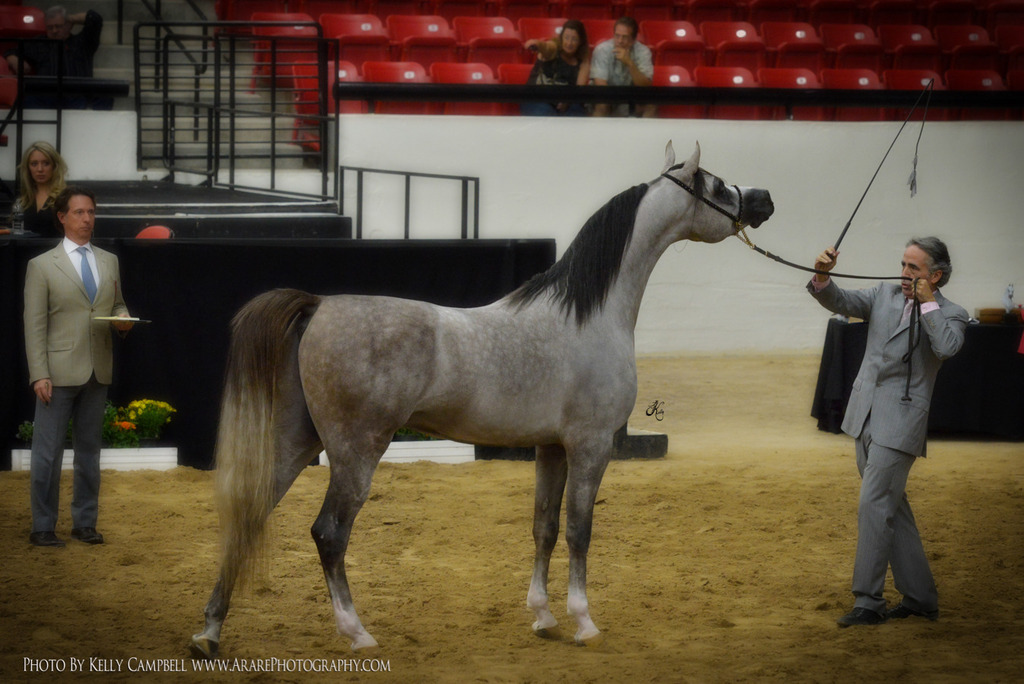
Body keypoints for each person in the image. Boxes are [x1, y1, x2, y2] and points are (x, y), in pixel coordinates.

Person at [808, 237, 968, 627]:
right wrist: (822, 275)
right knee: (892, 507)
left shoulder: (952, 313)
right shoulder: (883, 293)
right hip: (863, 413)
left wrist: (927, 302)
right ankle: (920, 598)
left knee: (874, 503)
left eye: (914, 268)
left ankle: (868, 601)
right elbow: (840, 301)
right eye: (903, 264)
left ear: (937, 275)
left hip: (901, 422)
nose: (904, 273)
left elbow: (946, 347)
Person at [23, 185, 134, 547]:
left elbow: (116, 304)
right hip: (56, 372)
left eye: (91, 212)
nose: (87, 219)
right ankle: (43, 525)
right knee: (46, 454)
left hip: (97, 369)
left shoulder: (108, 260)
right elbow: (34, 324)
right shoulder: (41, 266)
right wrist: (39, 372)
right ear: (62, 217)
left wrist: (123, 318)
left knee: (90, 454)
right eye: (79, 213)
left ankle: (84, 522)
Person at [4, 6, 109, 109]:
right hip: (44, 96)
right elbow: (11, 51)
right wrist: (13, 58)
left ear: (68, 25)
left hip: (76, 95)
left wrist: (71, 18)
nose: (54, 31)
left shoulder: (82, 42)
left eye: (58, 26)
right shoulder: (39, 43)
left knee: (105, 93)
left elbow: (95, 19)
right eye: (50, 27)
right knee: (21, 98)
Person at [521, 20, 591, 117]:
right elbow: (546, 47)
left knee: (577, 113)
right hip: (537, 98)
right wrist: (537, 44)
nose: (569, 43)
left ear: (580, 42)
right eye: (566, 37)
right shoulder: (554, 47)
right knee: (548, 116)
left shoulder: (583, 61)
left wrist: (568, 102)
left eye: (574, 39)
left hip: (565, 102)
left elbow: (579, 89)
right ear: (561, 37)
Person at [590, 17, 654, 118]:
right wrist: (614, 101)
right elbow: (601, 85)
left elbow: (645, 85)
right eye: (617, 36)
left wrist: (630, 63)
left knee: (651, 106)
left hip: (632, 100)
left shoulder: (643, 52)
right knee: (602, 104)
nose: (619, 41)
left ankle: (645, 134)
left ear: (633, 40)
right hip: (607, 98)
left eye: (625, 37)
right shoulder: (602, 50)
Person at [11, 141, 68, 237]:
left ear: (54, 166)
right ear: (28, 168)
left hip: (54, 250)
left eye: (46, 163)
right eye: (34, 164)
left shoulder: (65, 197)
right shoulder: (23, 199)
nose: (40, 169)